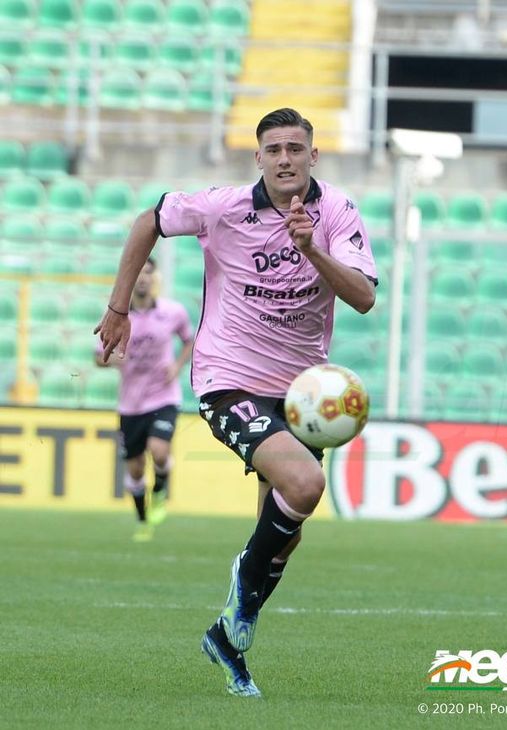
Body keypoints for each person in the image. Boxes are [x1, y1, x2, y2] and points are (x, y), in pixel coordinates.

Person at [95, 108, 378, 697]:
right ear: (258, 158)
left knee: (286, 532)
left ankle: (227, 637)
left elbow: (363, 297)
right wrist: (119, 308)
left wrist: (312, 249)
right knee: (304, 484)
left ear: (313, 156)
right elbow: (149, 220)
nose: (284, 159)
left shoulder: (337, 212)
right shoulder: (223, 207)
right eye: (273, 149)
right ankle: (243, 589)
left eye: (295, 149)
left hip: (301, 395)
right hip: (229, 379)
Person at [94, 257, 193, 542]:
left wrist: (176, 366)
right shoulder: (116, 317)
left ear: (154, 277)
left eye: (148, 272)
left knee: (159, 451)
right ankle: (142, 518)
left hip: (163, 397)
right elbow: (98, 356)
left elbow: (189, 340)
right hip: (131, 403)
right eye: (138, 272)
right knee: (135, 469)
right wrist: (113, 361)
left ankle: (160, 490)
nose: (143, 278)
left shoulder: (173, 312)